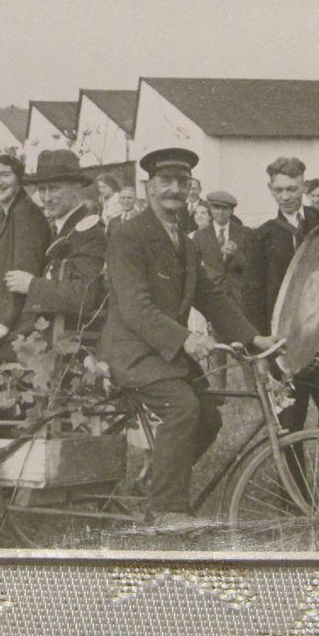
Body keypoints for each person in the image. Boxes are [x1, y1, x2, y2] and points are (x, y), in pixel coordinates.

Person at [102, 147, 274, 527]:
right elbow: (135, 307)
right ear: (149, 188)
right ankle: (165, 509)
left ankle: (159, 481)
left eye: (182, 183)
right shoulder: (129, 236)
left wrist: (253, 337)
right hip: (132, 352)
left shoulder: (185, 239)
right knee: (184, 408)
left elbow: (210, 297)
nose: (174, 190)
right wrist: (186, 339)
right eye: (166, 182)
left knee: (209, 419)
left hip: (163, 354)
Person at [243, 157, 319, 439]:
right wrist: (261, 350)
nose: (286, 197)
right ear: (270, 189)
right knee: (289, 425)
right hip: (284, 347)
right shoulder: (262, 236)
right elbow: (252, 296)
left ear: (304, 185)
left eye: (292, 189)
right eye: (279, 190)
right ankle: (293, 485)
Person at [6, 150, 107, 335]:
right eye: (42, 189)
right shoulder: (59, 228)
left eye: (54, 188)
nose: (46, 198)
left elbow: (85, 295)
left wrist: (32, 285)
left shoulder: (90, 232)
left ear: (76, 186)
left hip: (65, 341)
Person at [0, 154, 51, 335]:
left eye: (5, 175)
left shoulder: (25, 214)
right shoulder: (9, 213)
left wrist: (5, 323)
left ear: (19, 178)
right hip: (2, 315)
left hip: (18, 324)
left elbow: (23, 273)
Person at [192, 191, 250, 306]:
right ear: (211, 209)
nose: (220, 212)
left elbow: (253, 266)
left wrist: (236, 254)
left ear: (232, 211)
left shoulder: (244, 233)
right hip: (212, 294)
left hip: (238, 294)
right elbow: (194, 266)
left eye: (225, 208)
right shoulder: (200, 236)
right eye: (216, 207)